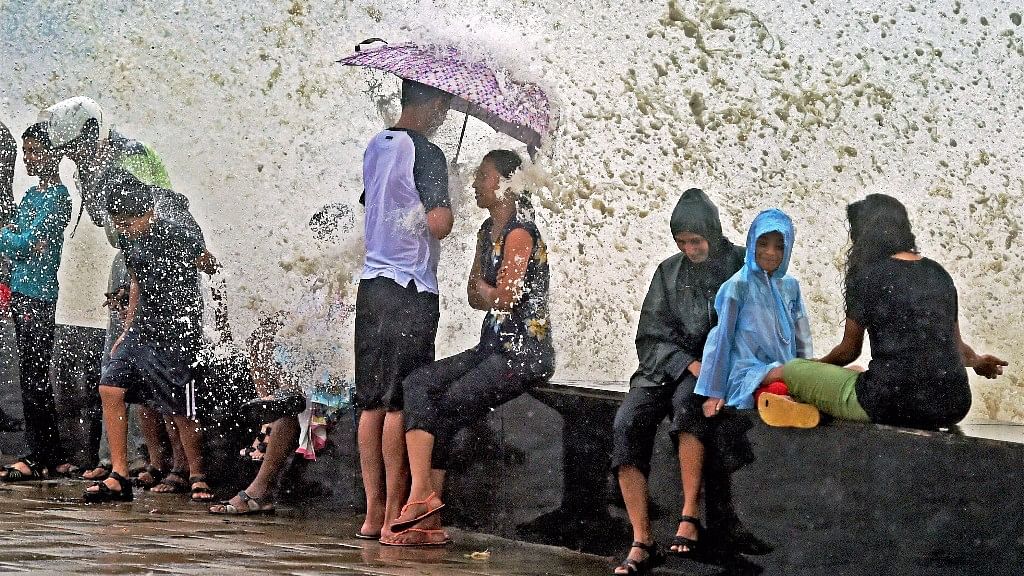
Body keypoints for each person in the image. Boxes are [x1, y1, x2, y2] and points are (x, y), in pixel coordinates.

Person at [381, 150, 554, 547]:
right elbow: (475, 296)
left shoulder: (520, 233)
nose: (475, 183)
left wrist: (488, 292)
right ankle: (424, 498)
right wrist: (489, 292)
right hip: (491, 346)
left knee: (451, 399)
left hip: (523, 353)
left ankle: (425, 510)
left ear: (507, 184)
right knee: (420, 382)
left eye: (484, 176)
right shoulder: (485, 232)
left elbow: (506, 297)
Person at [40, 97, 214, 483]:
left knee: (156, 375)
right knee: (116, 366)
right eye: (66, 151)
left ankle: (158, 461)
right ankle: (120, 459)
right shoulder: (88, 165)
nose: (71, 155)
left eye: (74, 147)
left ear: (91, 131)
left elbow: (158, 212)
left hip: (152, 257)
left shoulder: (130, 155)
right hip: (128, 256)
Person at [758, 194, 1007, 430]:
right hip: (953, 405)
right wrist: (977, 362)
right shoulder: (938, 273)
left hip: (892, 404)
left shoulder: (867, 276)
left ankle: (757, 390)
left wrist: (813, 366)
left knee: (793, 370)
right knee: (855, 372)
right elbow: (956, 346)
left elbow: (848, 350)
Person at [610, 189, 745, 574]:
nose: (689, 249)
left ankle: (689, 514)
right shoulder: (667, 273)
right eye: (681, 242)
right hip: (666, 367)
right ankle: (641, 540)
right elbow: (649, 337)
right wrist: (687, 362)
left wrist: (714, 365)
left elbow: (753, 324)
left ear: (714, 233)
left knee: (689, 407)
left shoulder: (739, 264)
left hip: (713, 369)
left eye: (696, 241)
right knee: (626, 425)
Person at [355, 79, 453, 540]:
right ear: (433, 103)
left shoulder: (377, 144)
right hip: (410, 288)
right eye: (445, 107)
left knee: (370, 403)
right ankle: (397, 511)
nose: (446, 116)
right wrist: (445, 199)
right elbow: (439, 223)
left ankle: (372, 514)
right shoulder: (428, 154)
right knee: (398, 404)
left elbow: (376, 204)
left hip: (372, 286)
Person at [83, 175, 213, 502]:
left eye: (128, 222)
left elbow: (214, 270)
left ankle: (197, 474)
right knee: (111, 386)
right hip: (142, 327)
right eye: (119, 224)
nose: (124, 230)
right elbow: (138, 281)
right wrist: (126, 330)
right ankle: (119, 474)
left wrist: (219, 328)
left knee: (179, 404)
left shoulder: (179, 236)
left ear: (148, 212)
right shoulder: (128, 238)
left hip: (176, 329)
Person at [0, 123, 74, 480]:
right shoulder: (31, 197)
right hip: (21, 291)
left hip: (39, 296)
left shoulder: (59, 198)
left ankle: (35, 455)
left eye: (36, 152)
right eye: (26, 153)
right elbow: (20, 239)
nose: (29, 159)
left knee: (34, 377)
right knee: (32, 376)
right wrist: (15, 238)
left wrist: (12, 238)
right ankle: (51, 453)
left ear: (55, 153)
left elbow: (28, 242)